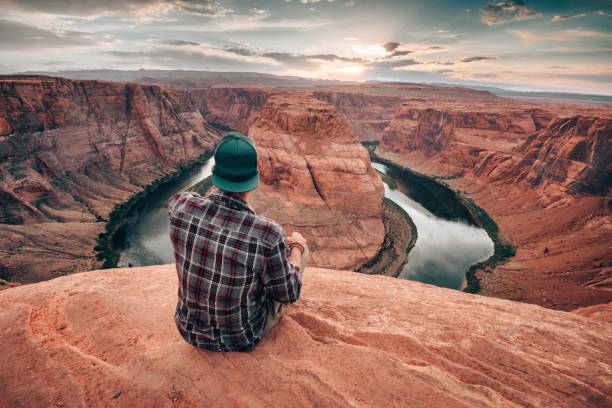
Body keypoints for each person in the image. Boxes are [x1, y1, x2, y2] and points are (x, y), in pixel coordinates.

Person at [168, 131, 308, 352]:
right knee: (296, 251)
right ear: (255, 177)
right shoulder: (268, 233)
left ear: (213, 170)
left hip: (188, 331)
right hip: (240, 339)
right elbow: (288, 294)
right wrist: (297, 247)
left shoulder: (180, 206)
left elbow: (199, 205)